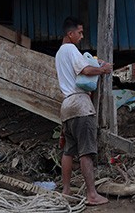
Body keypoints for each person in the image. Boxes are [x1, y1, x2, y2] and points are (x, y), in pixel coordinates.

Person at [55, 17, 112, 206]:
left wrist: (95, 63)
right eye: (79, 33)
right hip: (80, 105)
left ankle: (65, 192)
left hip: (66, 106)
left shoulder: (59, 54)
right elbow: (86, 70)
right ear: (70, 34)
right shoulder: (71, 49)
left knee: (68, 151)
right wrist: (103, 69)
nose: (81, 36)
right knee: (86, 151)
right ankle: (92, 195)